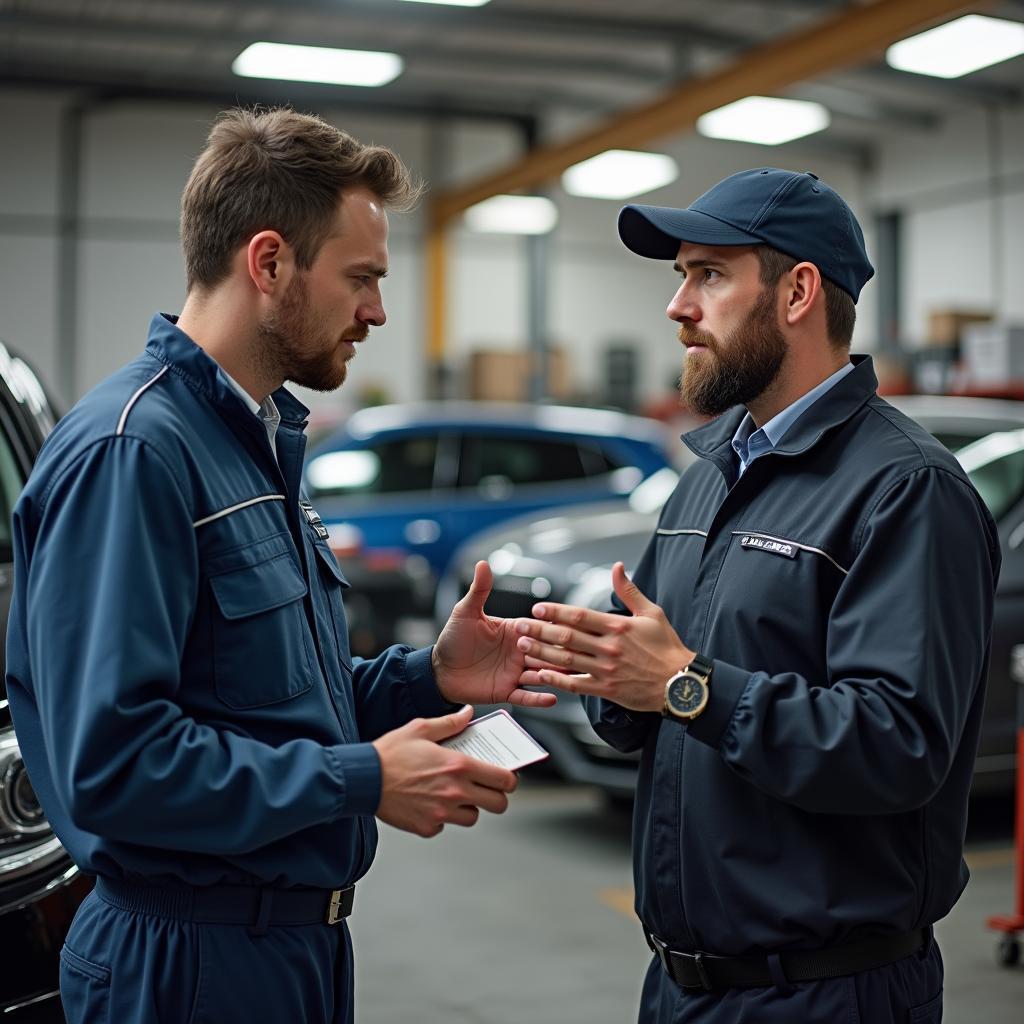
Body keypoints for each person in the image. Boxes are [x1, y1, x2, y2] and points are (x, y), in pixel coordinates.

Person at [6, 107, 554, 1024]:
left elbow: (256, 698)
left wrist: (426, 677)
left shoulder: (253, 443)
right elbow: (114, 765)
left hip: (288, 954)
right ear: (268, 264)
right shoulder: (134, 451)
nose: (377, 311)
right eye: (362, 279)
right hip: (186, 967)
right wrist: (363, 778)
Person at [513, 167, 1000, 1023]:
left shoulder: (905, 490)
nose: (678, 308)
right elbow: (647, 701)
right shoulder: (705, 481)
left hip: (824, 992)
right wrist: (592, 668)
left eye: (710, 275)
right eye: (682, 278)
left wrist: (683, 685)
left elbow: (898, 744)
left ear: (798, 292)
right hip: (678, 985)